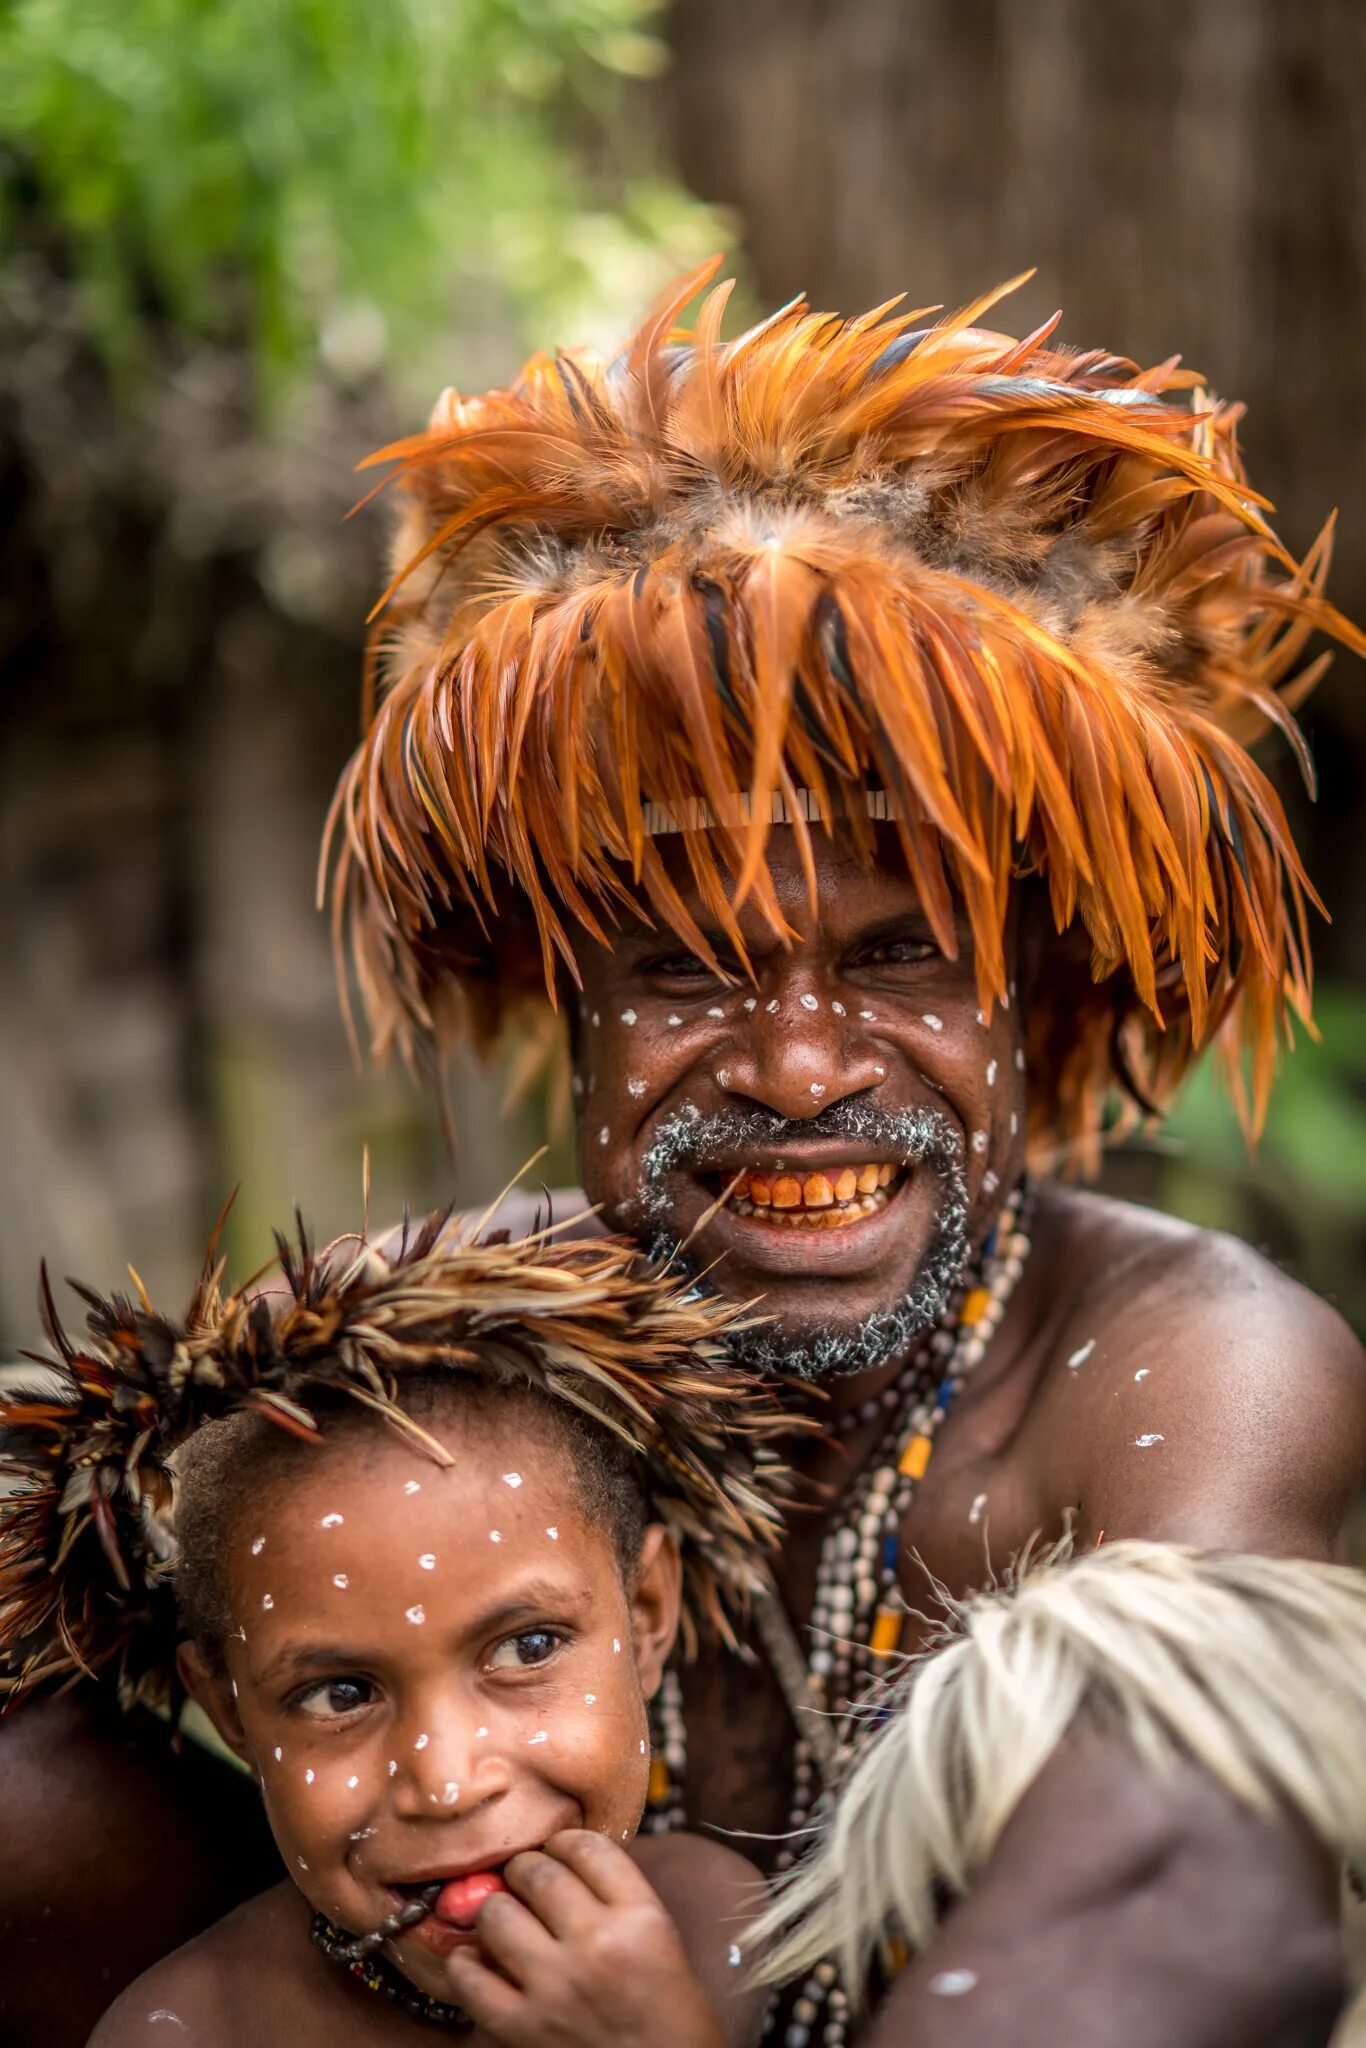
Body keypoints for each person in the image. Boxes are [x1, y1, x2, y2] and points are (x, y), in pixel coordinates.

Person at [318, 260, 1366, 2046]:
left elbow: (1199, 1890)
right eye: (687, 967)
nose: (798, 1066)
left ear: (1029, 1001)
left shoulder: (1193, 1369)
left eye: (898, 957)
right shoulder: (417, 1363)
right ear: (566, 1005)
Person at [2, 1215, 785, 2045]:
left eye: (528, 1647)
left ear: (648, 1614)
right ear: (230, 1711)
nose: (448, 1784)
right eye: (341, 1694)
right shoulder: (186, 2032)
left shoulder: (707, 1922)